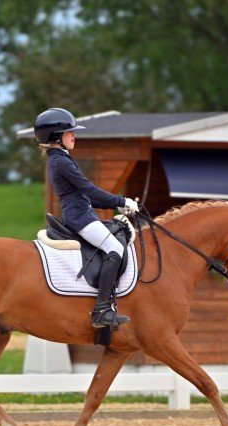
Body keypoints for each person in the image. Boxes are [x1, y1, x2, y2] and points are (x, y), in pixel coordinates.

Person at [34, 107, 139, 329]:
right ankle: (101, 310)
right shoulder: (61, 161)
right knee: (115, 249)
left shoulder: (60, 159)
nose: (74, 136)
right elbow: (89, 189)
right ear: (56, 137)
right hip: (81, 219)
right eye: (69, 132)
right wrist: (121, 201)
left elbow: (85, 196)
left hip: (82, 213)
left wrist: (120, 206)